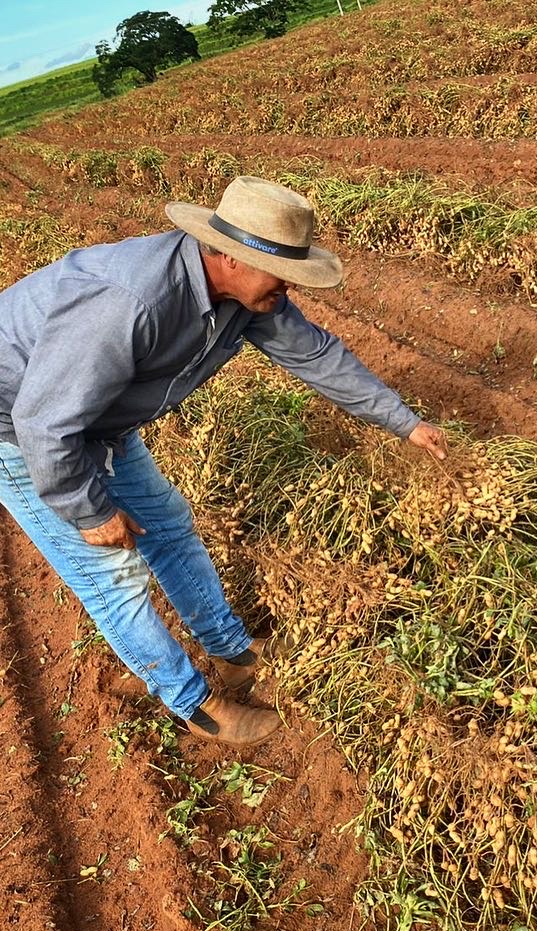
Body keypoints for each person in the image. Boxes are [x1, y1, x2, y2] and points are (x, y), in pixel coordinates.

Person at [0, 175, 448, 748]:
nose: (289, 286)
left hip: (98, 419)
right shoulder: (131, 301)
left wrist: (405, 423)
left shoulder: (248, 297)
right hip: (22, 431)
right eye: (283, 272)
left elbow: (316, 354)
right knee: (111, 574)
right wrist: (87, 510)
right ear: (230, 257)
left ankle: (232, 652)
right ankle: (196, 705)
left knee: (167, 524)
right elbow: (44, 422)